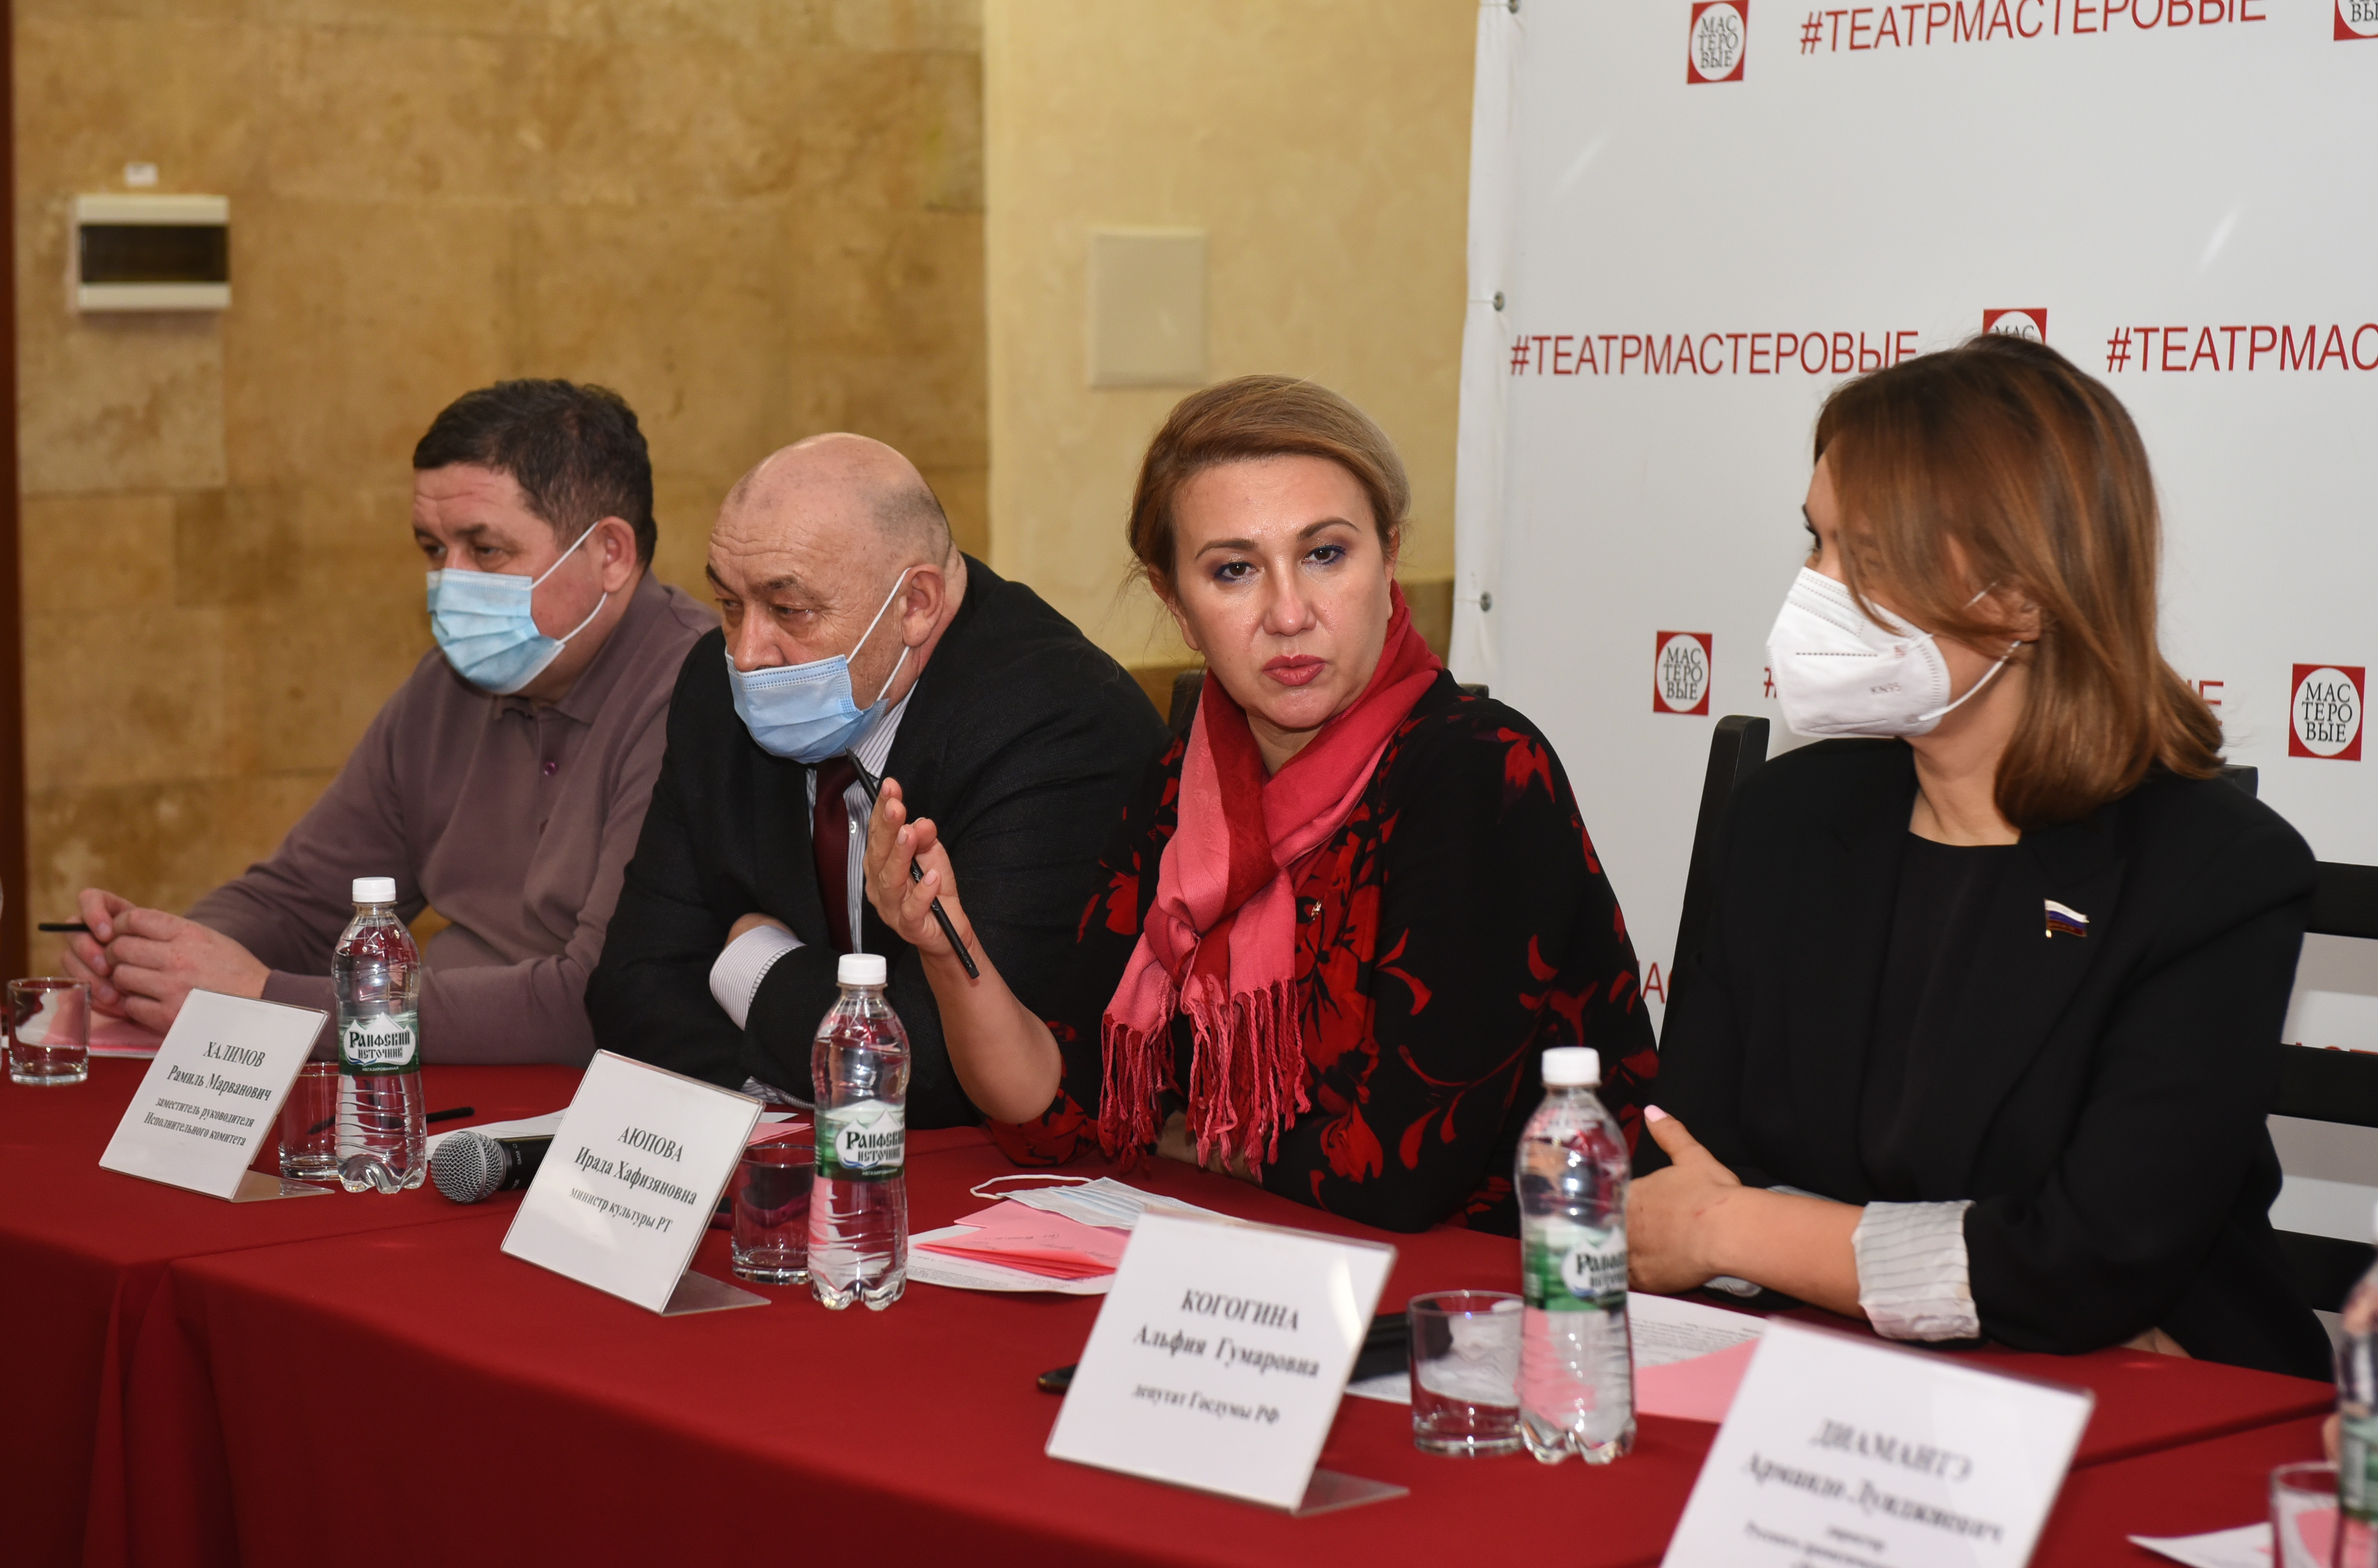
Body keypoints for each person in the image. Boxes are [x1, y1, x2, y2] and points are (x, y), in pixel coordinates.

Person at [1631, 334, 2331, 1379]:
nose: (1812, 591)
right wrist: (1739, 1228)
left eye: (1867, 557)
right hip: (1822, 1379)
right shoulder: (1785, 817)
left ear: (2022, 596)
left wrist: (1735, 1231)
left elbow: (2081, 1264)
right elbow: (1678, 1168)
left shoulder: (2215, 871)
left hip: (2143, 1396)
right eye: (1816, 542)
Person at [861, 375, 1658, 1235]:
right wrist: (946, 945)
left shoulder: (1479, 768)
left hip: (1520, 1272)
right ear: (1176, 603)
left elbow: (1399, 1176)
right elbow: (1060, 1115)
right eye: (1233, 571)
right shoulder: (1182, 779)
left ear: (1389, 556)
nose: (1288, 613)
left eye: (1326, 554)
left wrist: (1189, 1136)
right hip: (1270, 1255)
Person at [59, 381, 714, 1064]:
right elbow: (303, 902)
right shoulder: (451, 685)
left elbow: (592, 1002)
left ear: (610, 553)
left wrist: (263, 998)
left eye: (485, 550)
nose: (449, 584)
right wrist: (158, 958)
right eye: (433, 549)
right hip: (438, 1080)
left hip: (600, 1102)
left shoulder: (693, 698)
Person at [585, 433, 1167, 1124]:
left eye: (789, 610)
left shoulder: (1057, 720)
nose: (747, 653)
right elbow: (630, 988)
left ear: (915, 603)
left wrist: (751, 961)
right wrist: (789, 1083)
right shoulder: (717, 691)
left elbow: (947, 1068)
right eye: (730, 604)